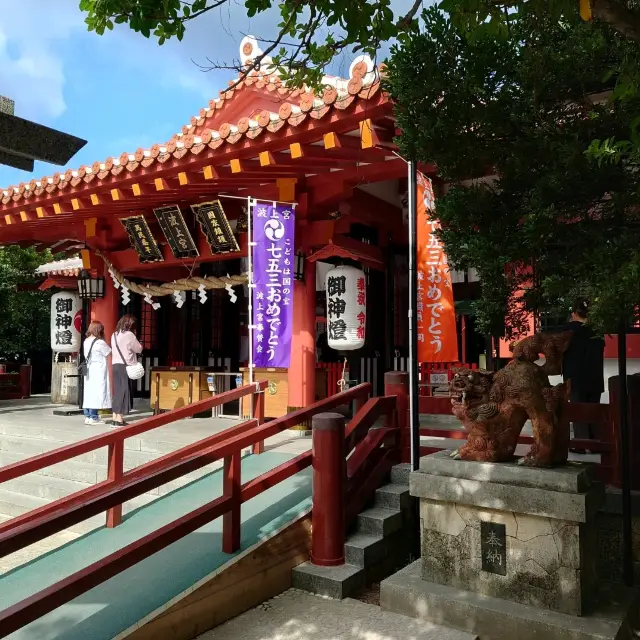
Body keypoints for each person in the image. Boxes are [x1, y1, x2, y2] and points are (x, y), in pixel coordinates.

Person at [561, 297, 605, 452]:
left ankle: (581, 444)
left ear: (574, 313)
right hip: (595, 375)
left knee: (578, 410)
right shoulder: (597, 331)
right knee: (593, 409)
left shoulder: (569, 330)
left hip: (576, 376)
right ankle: (595, 444)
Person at [111, 314, 143, 427]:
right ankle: (119, 418)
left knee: (118, 391)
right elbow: (139, 348)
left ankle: (114, 416)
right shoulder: (129, 335)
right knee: (124, 391)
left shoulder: (114, 335)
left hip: (115, 365)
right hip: (125, 366)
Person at [82, 321, 112, 425]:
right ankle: (93, 417)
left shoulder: (86, 341)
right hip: (98, 369)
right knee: (96, 392)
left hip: (89, 368)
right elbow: (108, 352)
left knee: (89, 392)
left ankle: (88, 416)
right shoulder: (100, 342)